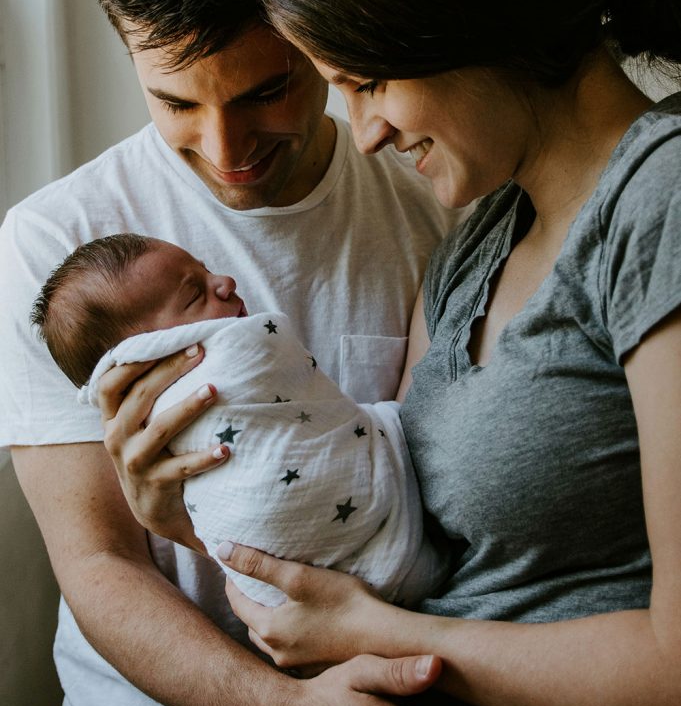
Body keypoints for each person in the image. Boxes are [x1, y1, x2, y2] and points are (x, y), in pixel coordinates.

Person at [0, 0, 567, 706]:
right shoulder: (58, 251)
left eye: (268, 90)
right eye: (177, 101)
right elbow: (95, 563)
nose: (226, 150)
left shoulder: (440, 197)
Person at [201, 0, 681, 706]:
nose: (365, 135)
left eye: (369, 81)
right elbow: (418, 540)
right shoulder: (477, 235)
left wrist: (386, 640)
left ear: (471, 17)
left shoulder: (661, 203)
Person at [34, 232, 446, 607]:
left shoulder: (422, 219)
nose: (225, 281)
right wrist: (165, 519)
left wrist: (177, 525)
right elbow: (97, 564)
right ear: (150, 351)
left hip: (300, 602)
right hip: (264, 629)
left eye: (206, 269)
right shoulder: (41, 233)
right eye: (195, 293)